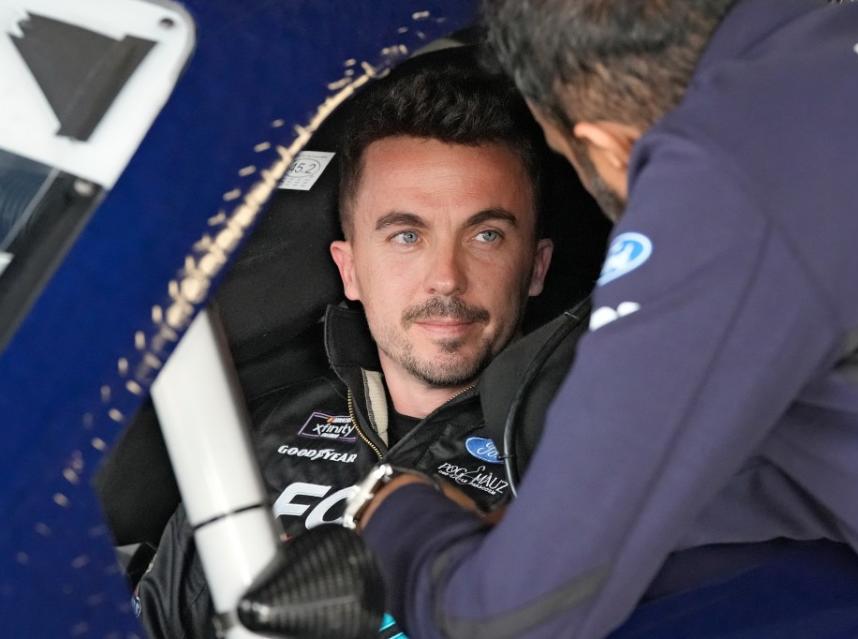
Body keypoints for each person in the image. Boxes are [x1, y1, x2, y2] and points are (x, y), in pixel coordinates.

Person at [352, 1, 858, 637]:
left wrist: (393, 516)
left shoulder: (725, 172)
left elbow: (507, 621)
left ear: (609, 148)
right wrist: (564, 526)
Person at [135, 52, 552, 638]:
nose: (446, 278)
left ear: (535, 267)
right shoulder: (252, 438)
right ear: (349, 268)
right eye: (407, 235)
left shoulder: (581, 452)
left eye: (485, 235)